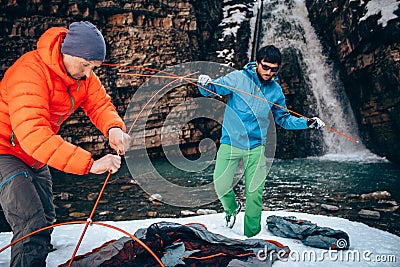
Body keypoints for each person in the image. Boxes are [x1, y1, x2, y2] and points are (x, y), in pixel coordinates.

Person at [0, 21, 130, 266]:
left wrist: (114, 128)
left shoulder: (82, 76)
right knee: (31, 224)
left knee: (47, 217)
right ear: (68, 53)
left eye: (94, 67)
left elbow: (100, 104)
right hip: (5, 150)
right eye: (86, 65)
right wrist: (90, 164)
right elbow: (34, 134)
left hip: (35, 154)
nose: (89, 73)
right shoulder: (29, 72)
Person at [197, 45, 325, 238]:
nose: (269, 72)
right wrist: (204, 83)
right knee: (221, 185)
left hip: (256, 146)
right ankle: (231, 209)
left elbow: (284, 119)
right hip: (230, 142)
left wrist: (307, 123)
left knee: (254, 195)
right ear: (257, 63)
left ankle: (252, 237)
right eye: (265, 67)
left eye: (274, 69)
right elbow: (212, 90)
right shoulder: (237, 78)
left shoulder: (276, 91)